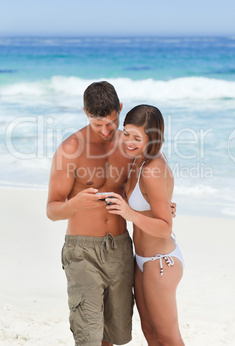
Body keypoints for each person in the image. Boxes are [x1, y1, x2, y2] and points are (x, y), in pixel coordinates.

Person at [46, 82, 176, 346]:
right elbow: (52, 210)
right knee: (89, 336)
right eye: (98, 124)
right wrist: (75, 204)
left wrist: (161, 207)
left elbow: (149, 183)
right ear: (85, 112)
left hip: (121, 247)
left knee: (113, 336)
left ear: (120, 109)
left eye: (112, 123)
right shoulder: (69, 151)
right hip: (83, 251)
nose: (106, 131)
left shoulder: (129, 146)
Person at [106, 105, 185, 346]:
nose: (128, 141)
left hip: (160, 262)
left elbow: (164, 227)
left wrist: (130, 213)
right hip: (141, 261)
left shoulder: (152, 169)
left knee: (168, 338)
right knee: (150, 334)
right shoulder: (137, 159)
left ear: (153, 139)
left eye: (137, 138)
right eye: (126, 133)